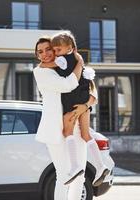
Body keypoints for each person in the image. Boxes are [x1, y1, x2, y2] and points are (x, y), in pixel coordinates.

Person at [33, 36, 94, 200]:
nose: (45, 54)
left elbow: (91, 91)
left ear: (55, 50)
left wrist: (86, 105)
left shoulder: (64, 67)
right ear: (37, 56)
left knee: (79, 174)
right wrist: (80, 63)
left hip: (76, 126)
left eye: (48, 49)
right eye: (40, 52)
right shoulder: (41, 72)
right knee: (64, 175)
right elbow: (69, 85)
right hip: (55, 129)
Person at [51, 31, 110, 186]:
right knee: (86, 134)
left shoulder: (62, 61)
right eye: (54, 50)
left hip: (72, 101)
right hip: (84, 103)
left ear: (69, 47)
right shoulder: (80, 62)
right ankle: (100, 166)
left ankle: (76, 166)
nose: (55, 53)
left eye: (58, 49)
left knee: (67, 131)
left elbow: (50, 66)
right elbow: (91, 89)